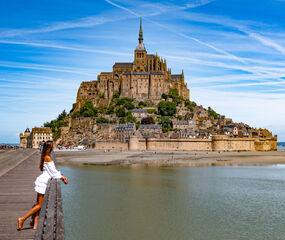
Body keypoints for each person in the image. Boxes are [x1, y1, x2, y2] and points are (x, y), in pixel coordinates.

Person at [17, 140, 68, 231]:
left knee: (38, 204)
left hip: (42, 180)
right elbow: (53, 172)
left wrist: (61, 176)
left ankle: (35, 225)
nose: (54, 146)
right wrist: (62, 177)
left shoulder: (45, 156)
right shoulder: (48, 157)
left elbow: (52, 171)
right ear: (50, 148)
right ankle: (22, 219)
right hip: (43, 182)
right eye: (53, 145)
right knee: (39, 205)